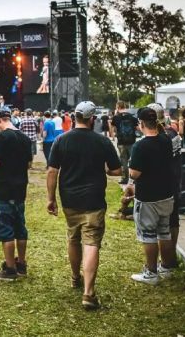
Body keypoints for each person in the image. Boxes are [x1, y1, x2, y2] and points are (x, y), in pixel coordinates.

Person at [46, 101, 122, 310]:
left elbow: (52, 171)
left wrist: (51, 199)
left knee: (73, 237)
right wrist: (107, 171)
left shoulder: (61, 140)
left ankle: (74, 277)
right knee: (91, 242)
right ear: (92, 119)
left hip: (69, 199)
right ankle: (88, 293)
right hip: (94, 199)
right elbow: (116, 170)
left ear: (75, 117)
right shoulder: (102, 142)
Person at [127, 107, 177, 285]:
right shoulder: (165, 140)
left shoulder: (140, 146)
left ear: (140, 124)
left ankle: (151, 272)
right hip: (166, 193)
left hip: (148, 196)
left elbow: (134, 174)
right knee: (164, 232)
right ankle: (166, 267)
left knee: (148, 235)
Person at [0, 109, 33, 281]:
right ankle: (21, 263)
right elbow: (29, 164)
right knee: (20, 228)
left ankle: (10, 269)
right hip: (20, 189)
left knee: (6, 229)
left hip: (3, 189)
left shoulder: (2, 137)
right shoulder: (25, 139)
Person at [147, 103, 182, 269]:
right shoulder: (173, 133)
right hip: (175, 181)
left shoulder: (161, 137)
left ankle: (166, 261)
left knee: (162, 227)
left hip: (162, 185)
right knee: (173, 221)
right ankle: (171, 256)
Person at [111, 101, 139, 186]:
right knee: (133, 160)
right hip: (132, 141)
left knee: (123, 160)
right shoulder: (131, 117)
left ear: (118, 107)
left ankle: (124, 178)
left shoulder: (116, 118)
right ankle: (133, 178)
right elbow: (137, 128)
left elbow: (113, 128)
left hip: (121, 142)